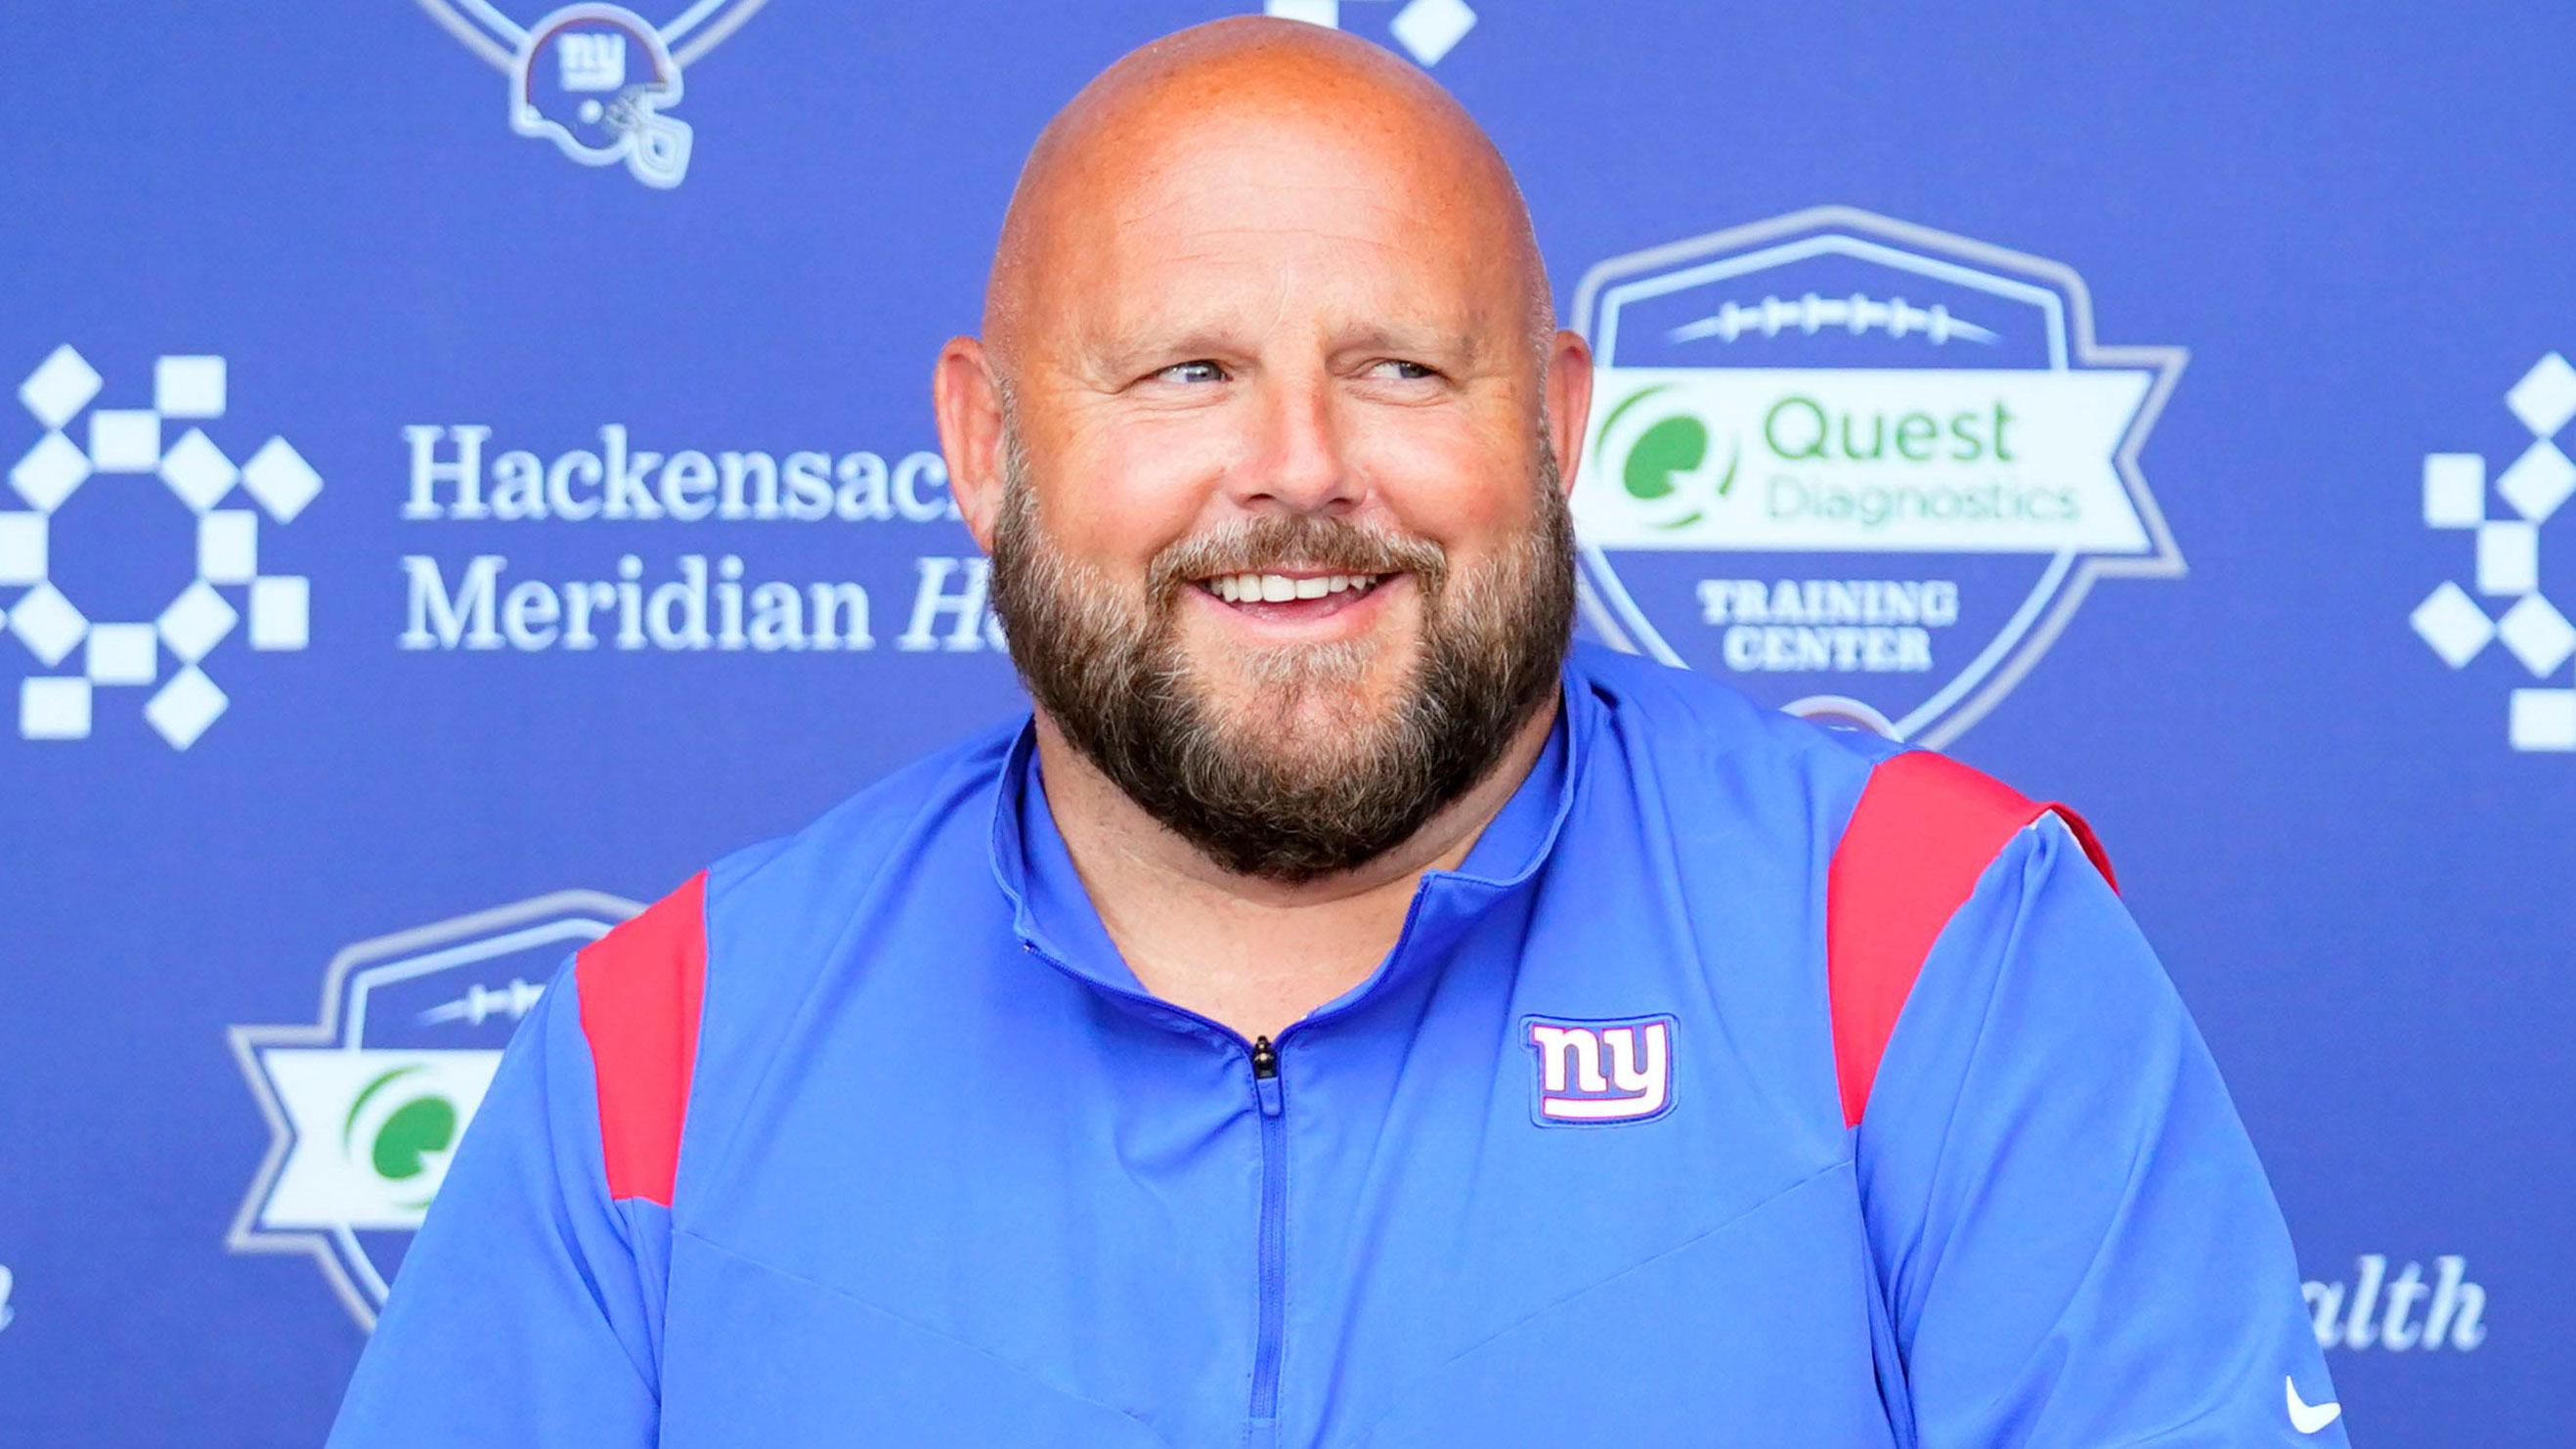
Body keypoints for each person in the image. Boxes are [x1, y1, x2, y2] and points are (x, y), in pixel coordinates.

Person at [329, 18, 2344, 1446]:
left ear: (1552, 429)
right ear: (983, 444)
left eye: (1397, 365)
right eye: (1185, 369)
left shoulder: (1926, 942)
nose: (1297, 470)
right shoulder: (663, 1043)